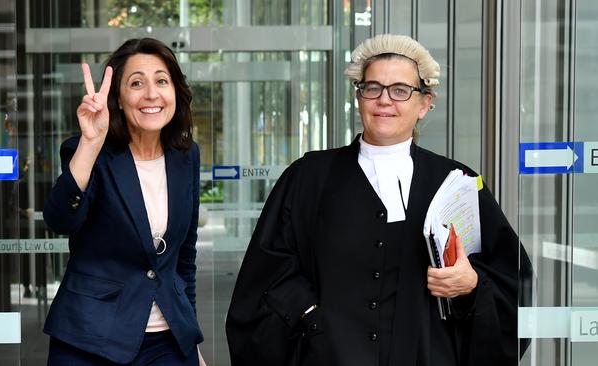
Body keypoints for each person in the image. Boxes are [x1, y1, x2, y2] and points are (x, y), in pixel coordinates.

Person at [225, 34, 531, 366]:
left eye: (400, 90)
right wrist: (310, 315)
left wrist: (472, 284)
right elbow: (267, 272)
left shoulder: (456, 182)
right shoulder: (308, 177)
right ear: (358, 98)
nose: (384, 100)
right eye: (372, 88)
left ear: (425, 104)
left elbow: (509, 277)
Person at [43, 38, 206, 366]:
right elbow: (60, 219)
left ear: (176, 92)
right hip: (90, 337)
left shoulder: (186, 156)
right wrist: (90, 143)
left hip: (168, 341)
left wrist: (191, 338)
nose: (151, 94)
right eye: (136, 83)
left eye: (162, 81)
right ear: (117, 98)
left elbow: (183, 258)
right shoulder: (92, 152)